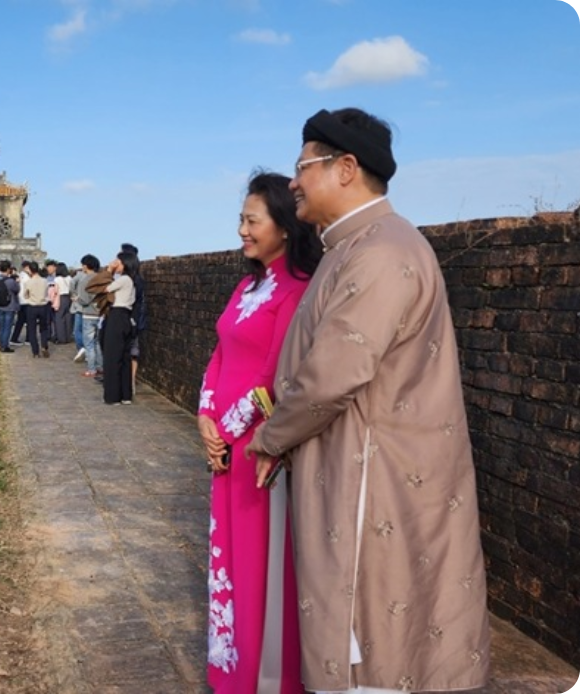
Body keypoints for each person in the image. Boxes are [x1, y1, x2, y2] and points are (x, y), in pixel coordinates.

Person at [245, 108, 491, 694]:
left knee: (373, 641)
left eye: (303, 166)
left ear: (346, 168)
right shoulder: (351, 248)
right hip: (355, 463)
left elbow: (333, 373)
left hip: (375, 480)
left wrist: (269, 437)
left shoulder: (380, 252)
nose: (295, 182)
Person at [197, 171, 322, 694]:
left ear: (285, 227)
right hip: (223, 450)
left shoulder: (297, 292)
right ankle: (228, 666)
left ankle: (264, 677)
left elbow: (275, 374)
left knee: (258, 564)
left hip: (257, 451)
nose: (243, 230)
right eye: (242, 220)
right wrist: (204, 415)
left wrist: (226, 430)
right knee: (226, 555)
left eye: (252, 220)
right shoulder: (247, 286)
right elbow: (220, 353)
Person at [99, 252, 138, 404]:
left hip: (116, 317)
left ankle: (113, 395)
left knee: (112, 357)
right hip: (126, 317)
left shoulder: (123, 279)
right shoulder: (131, 281)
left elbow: (104, 289)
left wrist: (109, 269)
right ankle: (125, 394)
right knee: (124, 357)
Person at [120, 243, 147, 397]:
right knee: (132, 352)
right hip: (135, 319)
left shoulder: (132, 281)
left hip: (131, 319)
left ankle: (128, 381)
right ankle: (129, 381)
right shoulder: (137, 279)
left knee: (129, 351)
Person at [74, 254, 103, 377]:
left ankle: (91, 369)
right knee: (98, 343)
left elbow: (84, 300)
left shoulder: (85, 280)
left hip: (89, 314)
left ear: (85, 266)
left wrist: (77, 299)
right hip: (101, 313)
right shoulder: (101, 278)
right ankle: (100, 366)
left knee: (89, 343)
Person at [21, 260, 50, 358]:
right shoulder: (45, 281)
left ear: (30, 270)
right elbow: (47, 293)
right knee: (44, 328)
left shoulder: (28, 282)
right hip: (43, 306)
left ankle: (35, 351)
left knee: (32, 329)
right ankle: (44, 345)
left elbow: (25, 295)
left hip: (32, 306)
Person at [0, 260, 20, 353]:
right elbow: (17, 290)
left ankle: (1, 343)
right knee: (7, 327)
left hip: (0, 306)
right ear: (8, 269)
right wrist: (17, 282)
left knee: (1, 326)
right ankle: (5, 346)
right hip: (9, 306)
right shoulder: (10, 281)